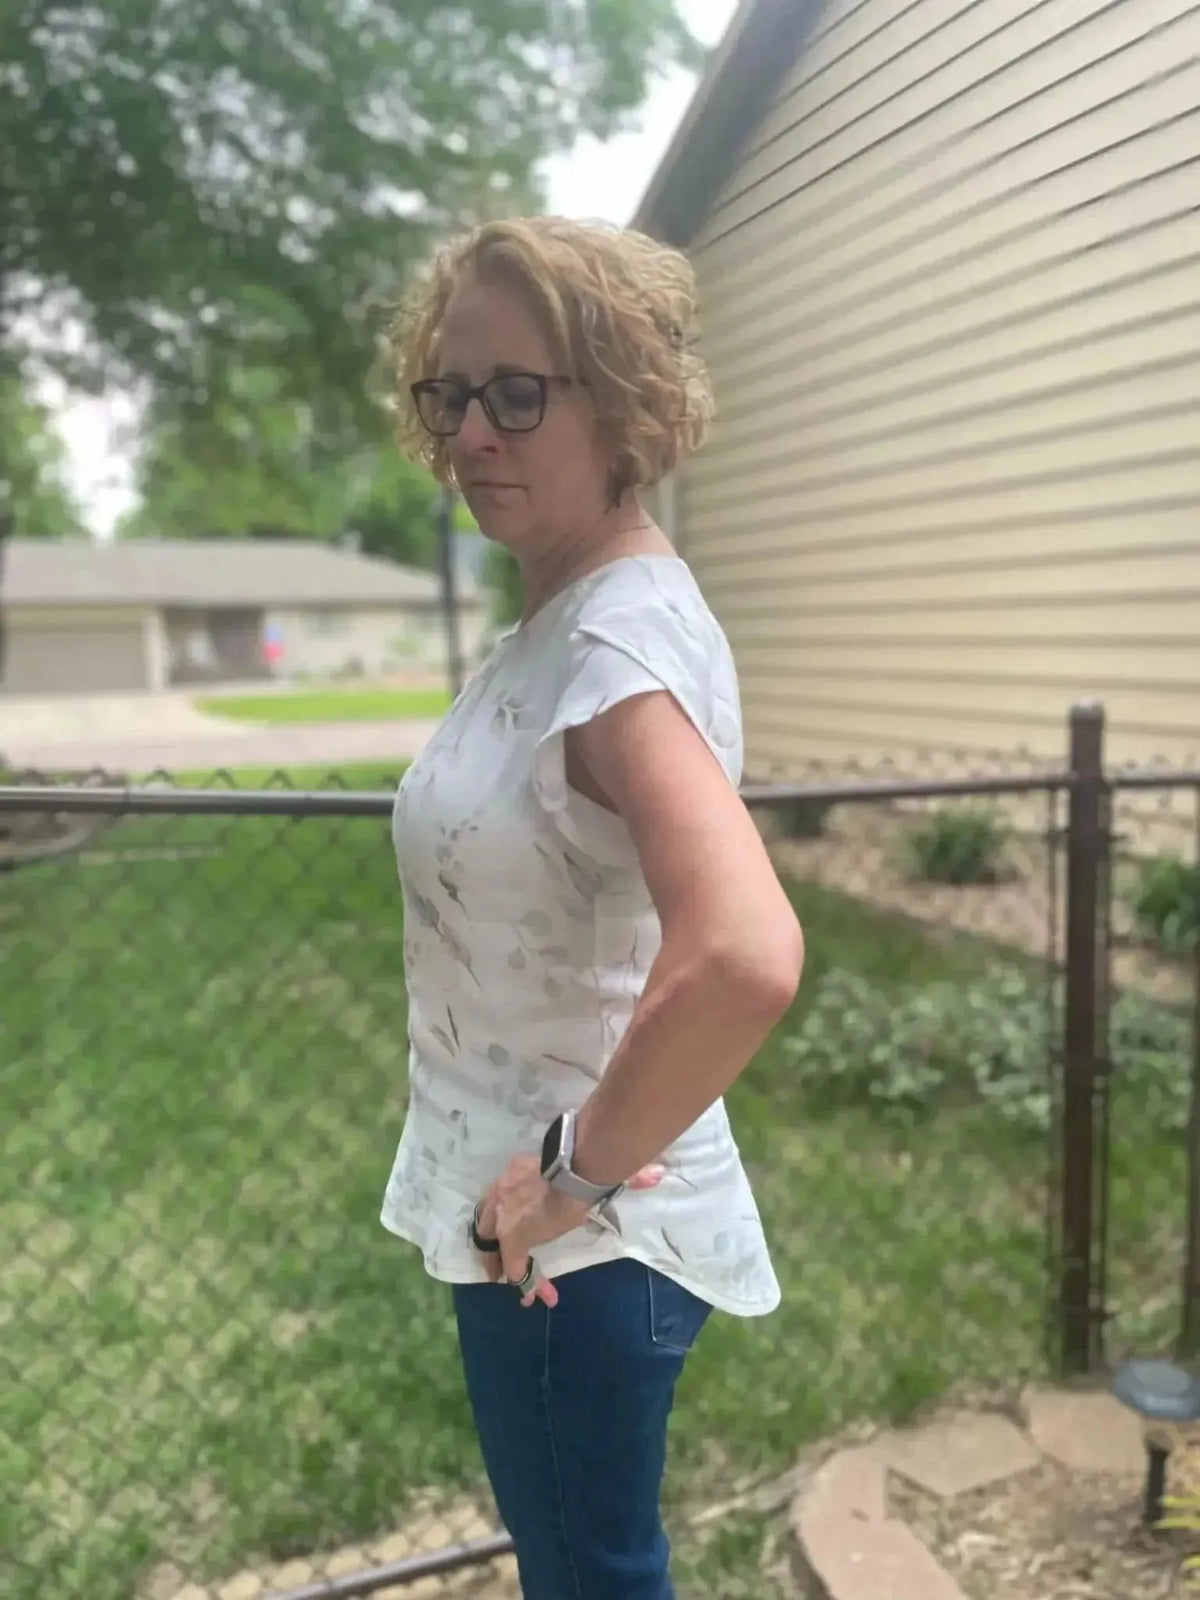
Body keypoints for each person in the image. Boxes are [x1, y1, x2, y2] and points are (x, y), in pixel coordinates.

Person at [380, 215, 804, 1600]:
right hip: (548, 1234)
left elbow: (742, 953)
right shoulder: (573, 620)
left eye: (519, 391)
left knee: (591, 1578)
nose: (473, 433)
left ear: (623, 402)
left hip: (571, 1255)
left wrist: (568, 1181)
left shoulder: (614, 643)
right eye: (451, 393)